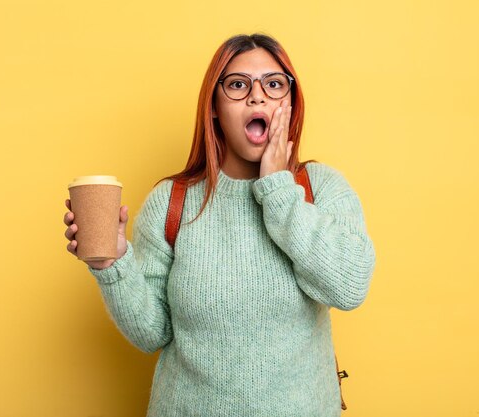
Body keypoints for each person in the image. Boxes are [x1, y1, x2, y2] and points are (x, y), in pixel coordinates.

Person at [63, 33, 376, 417]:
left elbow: (349, 286)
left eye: (274, 84)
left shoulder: (322, 188)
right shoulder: (171, 202)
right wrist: (112, 264)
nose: (257, 97)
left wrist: (278, 189)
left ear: (290, 103)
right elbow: (153, 333)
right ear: (214, 105)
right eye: (238, 84)